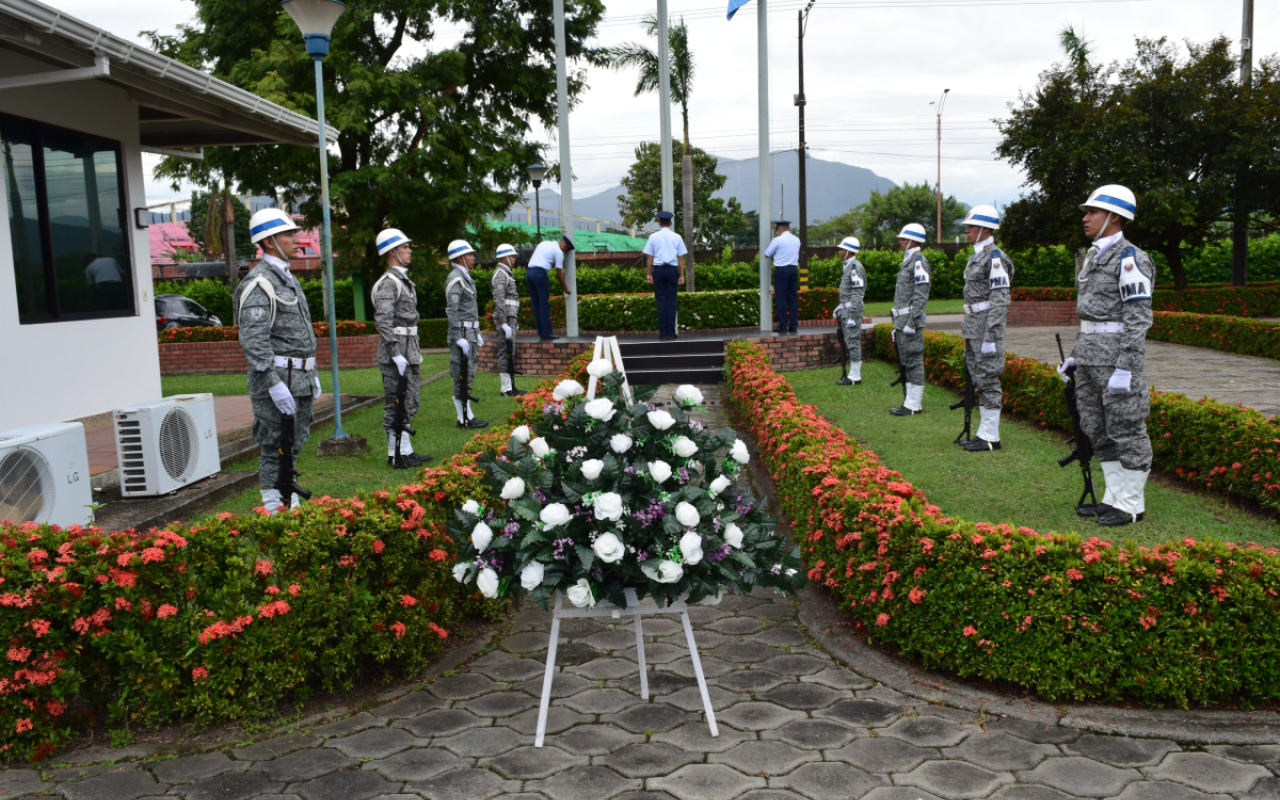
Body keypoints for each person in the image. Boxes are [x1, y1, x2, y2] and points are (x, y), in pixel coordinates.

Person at [1057, 185, 1154, 527]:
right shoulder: (1096, 255)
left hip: (1116, 362)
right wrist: (1074, 356)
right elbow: (1090, 318)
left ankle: (1131, 504)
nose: (1085, 218)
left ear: (1114, 217)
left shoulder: (1131, 258)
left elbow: (1137, 318)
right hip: (1090, 360)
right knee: (1096, 429)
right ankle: (1113, 498)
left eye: (1092, 212)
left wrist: (1126, 368)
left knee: (1127, 429)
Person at [232, 208, 319, 513]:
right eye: (289, 234)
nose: (298, 239)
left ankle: (289, 503)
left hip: (300, 379)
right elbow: (254, 342)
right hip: (278, 381)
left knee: (293, 444)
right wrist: (273, 384)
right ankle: (275, 510)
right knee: (274, 447)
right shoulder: (260, 283)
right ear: (269, 242)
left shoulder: (285, 279)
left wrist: (313, 373)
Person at [372, 228, 431, 469]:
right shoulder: (389, 283)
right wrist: (396, 354)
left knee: (409, 400)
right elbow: (383, 321)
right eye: (405, 247)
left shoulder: (403, 281)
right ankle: (394, 453)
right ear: (393, 251)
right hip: (396, 351)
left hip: (409, 349)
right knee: (394, 401)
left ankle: (405, 450)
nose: (409, 250)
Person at [959, 205, 1013, 451]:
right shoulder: (976, 256)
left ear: (984, 228)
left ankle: (991, 436)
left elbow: (1000, 299)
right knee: (978, 378)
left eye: (971, 226)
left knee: (988, 379)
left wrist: (991, 335)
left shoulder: (995, 257)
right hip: (973, 326)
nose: (967, 230)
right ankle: (983, 433)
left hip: (985, 329)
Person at [446, 239, 488, 429]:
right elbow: (452, 310)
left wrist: (476, 331)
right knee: (461, 374)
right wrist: (457, 336)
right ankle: (463, 418)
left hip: (469, 331)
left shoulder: (465, 278)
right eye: (470, 254)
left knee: (468, 372)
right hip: (462, 332)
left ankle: (467, 415)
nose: (473, 258)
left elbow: (470, 309)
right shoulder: (455, 278)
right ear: (461, 257)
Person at [890, 223, 931, 416]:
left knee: (914, 361)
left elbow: (921, 295)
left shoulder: (918, 262)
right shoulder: (908, 261)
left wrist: (912, 322)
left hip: (910, 321)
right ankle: (908, 401)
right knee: (906, 360)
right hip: (902, 320)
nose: (900, 242)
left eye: (904, 239)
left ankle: (914, 403)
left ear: (914, 240)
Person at [644, 211, 688, 340]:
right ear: (670, 223)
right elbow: (681, 259)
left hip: (658, 271)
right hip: (671, 271)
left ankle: (663, 333)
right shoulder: (677, 237)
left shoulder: (653, 237)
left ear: (659, 223)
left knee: (661, 301)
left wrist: (649, 274)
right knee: (672, 301)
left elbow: (649, 258)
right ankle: (672, 332)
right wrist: (681, 275)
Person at [491, 242, 526, 396]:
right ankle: (505, 388)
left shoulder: (506, 273)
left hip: (510, 319)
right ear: (504, 257)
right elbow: (499, 301)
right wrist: (504, 323)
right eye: (511, 256)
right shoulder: (500, 275)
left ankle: (511, 386)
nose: (514, 258)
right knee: (505, 351)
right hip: (505, 319)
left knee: (510, 351)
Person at [526, 235, 574, 341]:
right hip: (539, 274)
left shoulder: (544, 243)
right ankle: (547, 333)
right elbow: (559, 274)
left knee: (536, 304)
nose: (565, 252)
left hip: (529, 273)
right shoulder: (558, 252)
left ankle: (542, 332)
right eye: (566, 250)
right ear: (564, 245)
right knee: (543, 304)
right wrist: (566, 289)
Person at [832, 236, 866, 385]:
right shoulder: (848, 266)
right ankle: (853, 374)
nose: (839, 252)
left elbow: (858, 293)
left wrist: (852, 315)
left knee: (853, 341)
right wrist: (841, 306)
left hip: (853, 311)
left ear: (849, 251)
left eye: (841, 249)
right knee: (850, 341)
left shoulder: (855, 267)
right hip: (847, 309)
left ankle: (855, 376)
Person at [764, 220, 801, 334]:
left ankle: (783, 325)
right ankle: (793, 325)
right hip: (793, 269)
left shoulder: (777, 240)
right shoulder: (796, 240)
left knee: (781, 298)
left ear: (780, 230)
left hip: (781, 270)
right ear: (788, 228)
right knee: (792, 297)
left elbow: (767, 254)